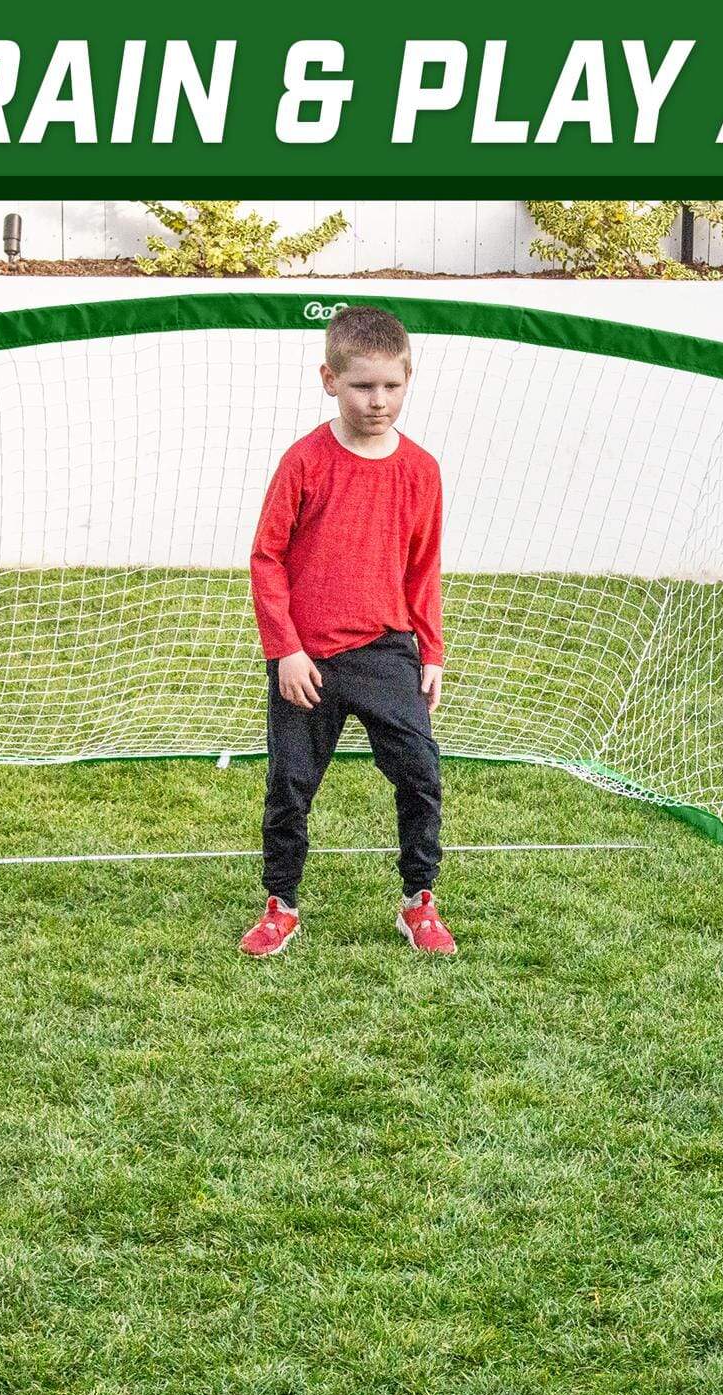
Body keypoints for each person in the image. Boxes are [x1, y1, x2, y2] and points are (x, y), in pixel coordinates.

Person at [241, 305, 455, 957]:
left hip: (387, 651)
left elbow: (423, 566)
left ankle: (419, 900)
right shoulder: (305, 461)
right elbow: (267, 558)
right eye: (363, 385)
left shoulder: (421, 469)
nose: (378, 400)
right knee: (290, 785)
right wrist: (286, 650)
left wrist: (432, 650)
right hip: (307, 660)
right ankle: (281, 903)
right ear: (330, 380)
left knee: (420, 773)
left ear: (408, 379)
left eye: (392, 385)